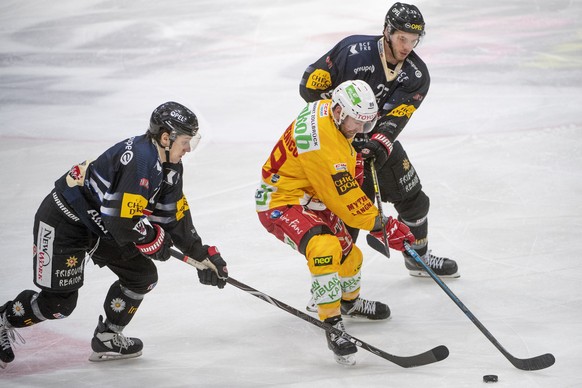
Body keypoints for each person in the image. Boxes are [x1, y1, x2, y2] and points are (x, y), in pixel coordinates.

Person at [0, 101, 229, 368]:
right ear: (166, 137)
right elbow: (121, 224)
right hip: (66, 220)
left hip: (100, 225)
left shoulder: (170, 168)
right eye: (186, 141)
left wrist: (202, 256)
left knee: (141, 276)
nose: (189, 148)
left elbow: (174, 218)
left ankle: (107, 337)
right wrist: (150, 237)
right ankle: (4, 317)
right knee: (59, 304)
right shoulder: (140, 161)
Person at [255, 80, 415, 365]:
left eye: (366, 124)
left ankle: (349, 303)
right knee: (325, 248)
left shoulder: (329, 111)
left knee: (351, 257)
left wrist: (355, 154)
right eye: (357, 123)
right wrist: (383, 225)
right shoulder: (321, 144)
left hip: (312, 195)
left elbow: (342, 164)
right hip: (281, 200)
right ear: (340, 111)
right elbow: (346, 201)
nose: (359, 130)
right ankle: (331, 322)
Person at [299, 2, 459, 279]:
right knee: (346, 216)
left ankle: (418, 259)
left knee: (415, 201)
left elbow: (397, 117)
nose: (407, 46)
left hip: (376, 143)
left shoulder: (416, 75)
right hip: (337, 147)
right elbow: (309, 86)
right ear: (387, 31)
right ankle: (336, 285)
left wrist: (378, 143)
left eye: (413, 40)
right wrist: (339, 127)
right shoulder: (352, 51)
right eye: (402, 38)